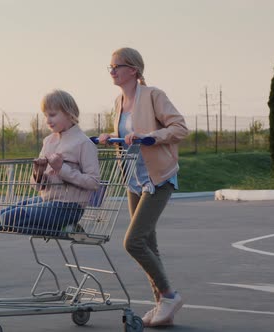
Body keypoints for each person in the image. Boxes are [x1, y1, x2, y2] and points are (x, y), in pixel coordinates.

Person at [98, 47, 188, 327]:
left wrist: (151, 136)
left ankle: (170, 295)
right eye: (109, 67)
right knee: (149, 243)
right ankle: (162, 304)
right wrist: (108, 137)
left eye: (116, 66)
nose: (111, 71)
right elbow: (127, 137)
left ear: (133, 70)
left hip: (158, 177)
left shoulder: (153, 96)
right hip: (134, 180)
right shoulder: (118, 101)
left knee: (133, 241)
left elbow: (179, 127)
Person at [0, 90, 100, 237]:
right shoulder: (48, 141)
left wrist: (61, 168)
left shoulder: (83, 143)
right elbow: (36, 186)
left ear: (69, 113)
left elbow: (93, 183)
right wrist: (39, 172)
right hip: (46, 200)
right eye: (45, 115)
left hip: (69, 207)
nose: (48, 120)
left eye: (53, 115)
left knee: (8, 219)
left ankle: (67, 231)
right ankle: (63, 230)